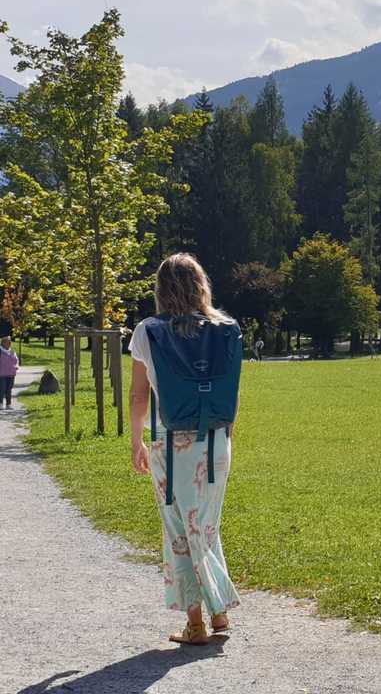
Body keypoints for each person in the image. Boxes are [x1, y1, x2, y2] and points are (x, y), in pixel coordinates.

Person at [129, 254, 241, 645]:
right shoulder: (226, 328)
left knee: (178, 529)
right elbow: (233, 393)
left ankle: (196, 623)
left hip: (172, 447)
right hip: (216, 442)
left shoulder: (149, 331)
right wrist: (226, 436)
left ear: (161, 289)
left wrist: (136, 441)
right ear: (200, 285)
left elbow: (139, 394)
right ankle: (219, 611)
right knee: (207, 526)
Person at [0, 336, 18, 409]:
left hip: (11, 374)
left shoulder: (12, 351)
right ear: (3, 343)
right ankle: (0, 404)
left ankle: (8, 404)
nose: (10, 343)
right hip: (1, 374)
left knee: (9, 389)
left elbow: (16, 360)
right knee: (2, 389)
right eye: (8, 341)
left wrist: (16, 366)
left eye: (10, 341)